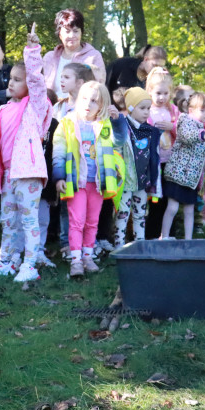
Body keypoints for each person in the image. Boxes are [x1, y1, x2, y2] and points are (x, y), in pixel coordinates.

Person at [0, 24, 53, 282]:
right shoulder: (2, 111)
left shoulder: (36, 106)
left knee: (28, 219)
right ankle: (7, 260)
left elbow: (36, 80)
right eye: (10, 78)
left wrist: (32, 50)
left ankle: (30, 263)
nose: (11, 83)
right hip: (8, 173)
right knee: (9, 219)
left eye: (17, 79)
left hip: (29, 172)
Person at [53, 81, 125, 277]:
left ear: (101, 106)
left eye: (94, 101)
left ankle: (87, 255)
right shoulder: (67, 122)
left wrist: (118, 121)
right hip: (76, 182)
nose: (88, 104)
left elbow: (119, 141)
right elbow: (58, 151)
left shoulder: (104, 125)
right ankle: (75, 260)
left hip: (98, 182)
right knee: (76, 221)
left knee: (92, 221)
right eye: (84, 98)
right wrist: (59, 177)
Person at [162, 92, 205, 239]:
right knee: (172, 207)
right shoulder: (185, 120)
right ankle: (165, 237)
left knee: (189, 210)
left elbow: (202, 155)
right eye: (203, 110)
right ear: (191, 110)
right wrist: (202, 135)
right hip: (178, 174)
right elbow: (187, 135)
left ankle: (188, 240)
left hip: (191, 178)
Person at [112, 87, 160, 248]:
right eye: (142, 108)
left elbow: (154, 157)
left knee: (140, 213)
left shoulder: (151, 131)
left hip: (142, 181)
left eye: (148, 108)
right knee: (123, 213)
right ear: (131, 108)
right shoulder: (123, 127)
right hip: (125, 181)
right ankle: (119, 244)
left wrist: (153, 180)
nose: (146, 112)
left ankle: (140, 244)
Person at [42, 8, 106, 91]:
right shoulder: (49, 58)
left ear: (81, 33)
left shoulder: (93, 56)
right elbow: (39, 86)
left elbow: (99, 89)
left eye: (76, 31)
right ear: (59, 34)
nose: (72, 35)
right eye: (67, 31)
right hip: (51, 103)